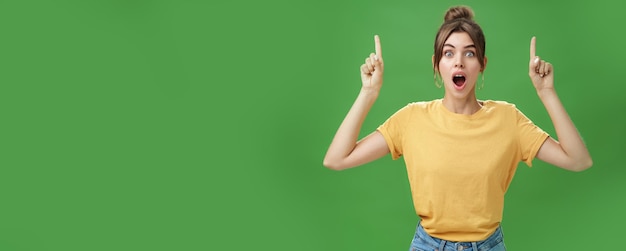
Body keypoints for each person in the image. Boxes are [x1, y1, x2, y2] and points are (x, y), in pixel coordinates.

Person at [322, 5, 592, 251]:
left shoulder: (508, 119)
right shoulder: (411, 119)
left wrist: (547, 93)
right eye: (448, 53)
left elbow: (578, 160)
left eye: (470, 53)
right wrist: (368, 93)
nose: (458, 61)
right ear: (437, 65)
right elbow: (337, 158)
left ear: (482, 65)